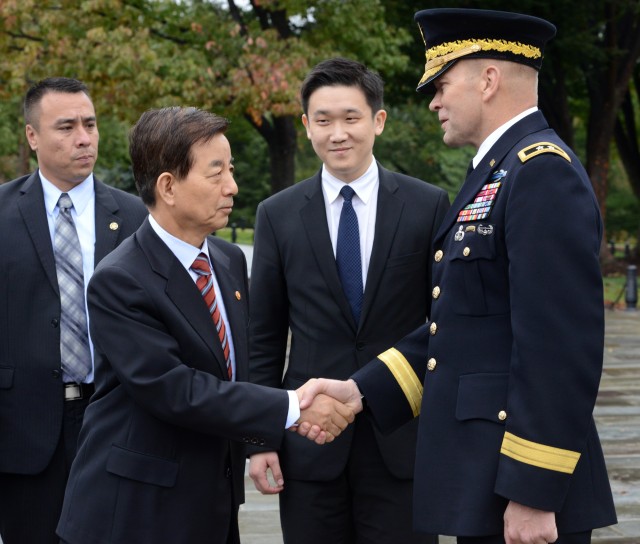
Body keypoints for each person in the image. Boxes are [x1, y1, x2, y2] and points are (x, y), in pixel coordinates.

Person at [300, 9, 618, 544]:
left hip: (520, 492)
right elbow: (461, 328)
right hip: (486, 480)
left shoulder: (539, 172)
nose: (434, 101)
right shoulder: (497, 172)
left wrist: (534, 491)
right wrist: (360, 392)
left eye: (443, 84)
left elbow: (559, 349)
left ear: (488, 80)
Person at [55, 106, 354, 544]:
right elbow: (178, 390)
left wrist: (260, 439)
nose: (232, 186)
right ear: (168, 187)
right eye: (215, 174)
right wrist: (292, 409)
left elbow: (235, 368)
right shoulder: (120, 280)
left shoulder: (228, 261)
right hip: (137, 512)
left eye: (230, 169)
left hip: (212, 502)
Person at [247, 57, 449, 544]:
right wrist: (259, 439)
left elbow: (444, 324)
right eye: (323, 120)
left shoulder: (427, 206)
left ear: (377, 121)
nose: (338, 133)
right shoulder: (278, 215)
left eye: (351, 118)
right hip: (309, 441)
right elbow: (264, 336)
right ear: (306, 126)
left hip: (402, 439)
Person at [0, 77, 148, 544]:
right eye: (66, 126)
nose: (84, 138)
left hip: (116, 421)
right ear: (32, 136)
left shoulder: (136, 218)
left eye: (90, 124)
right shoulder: (1, 213)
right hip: (23, 431)